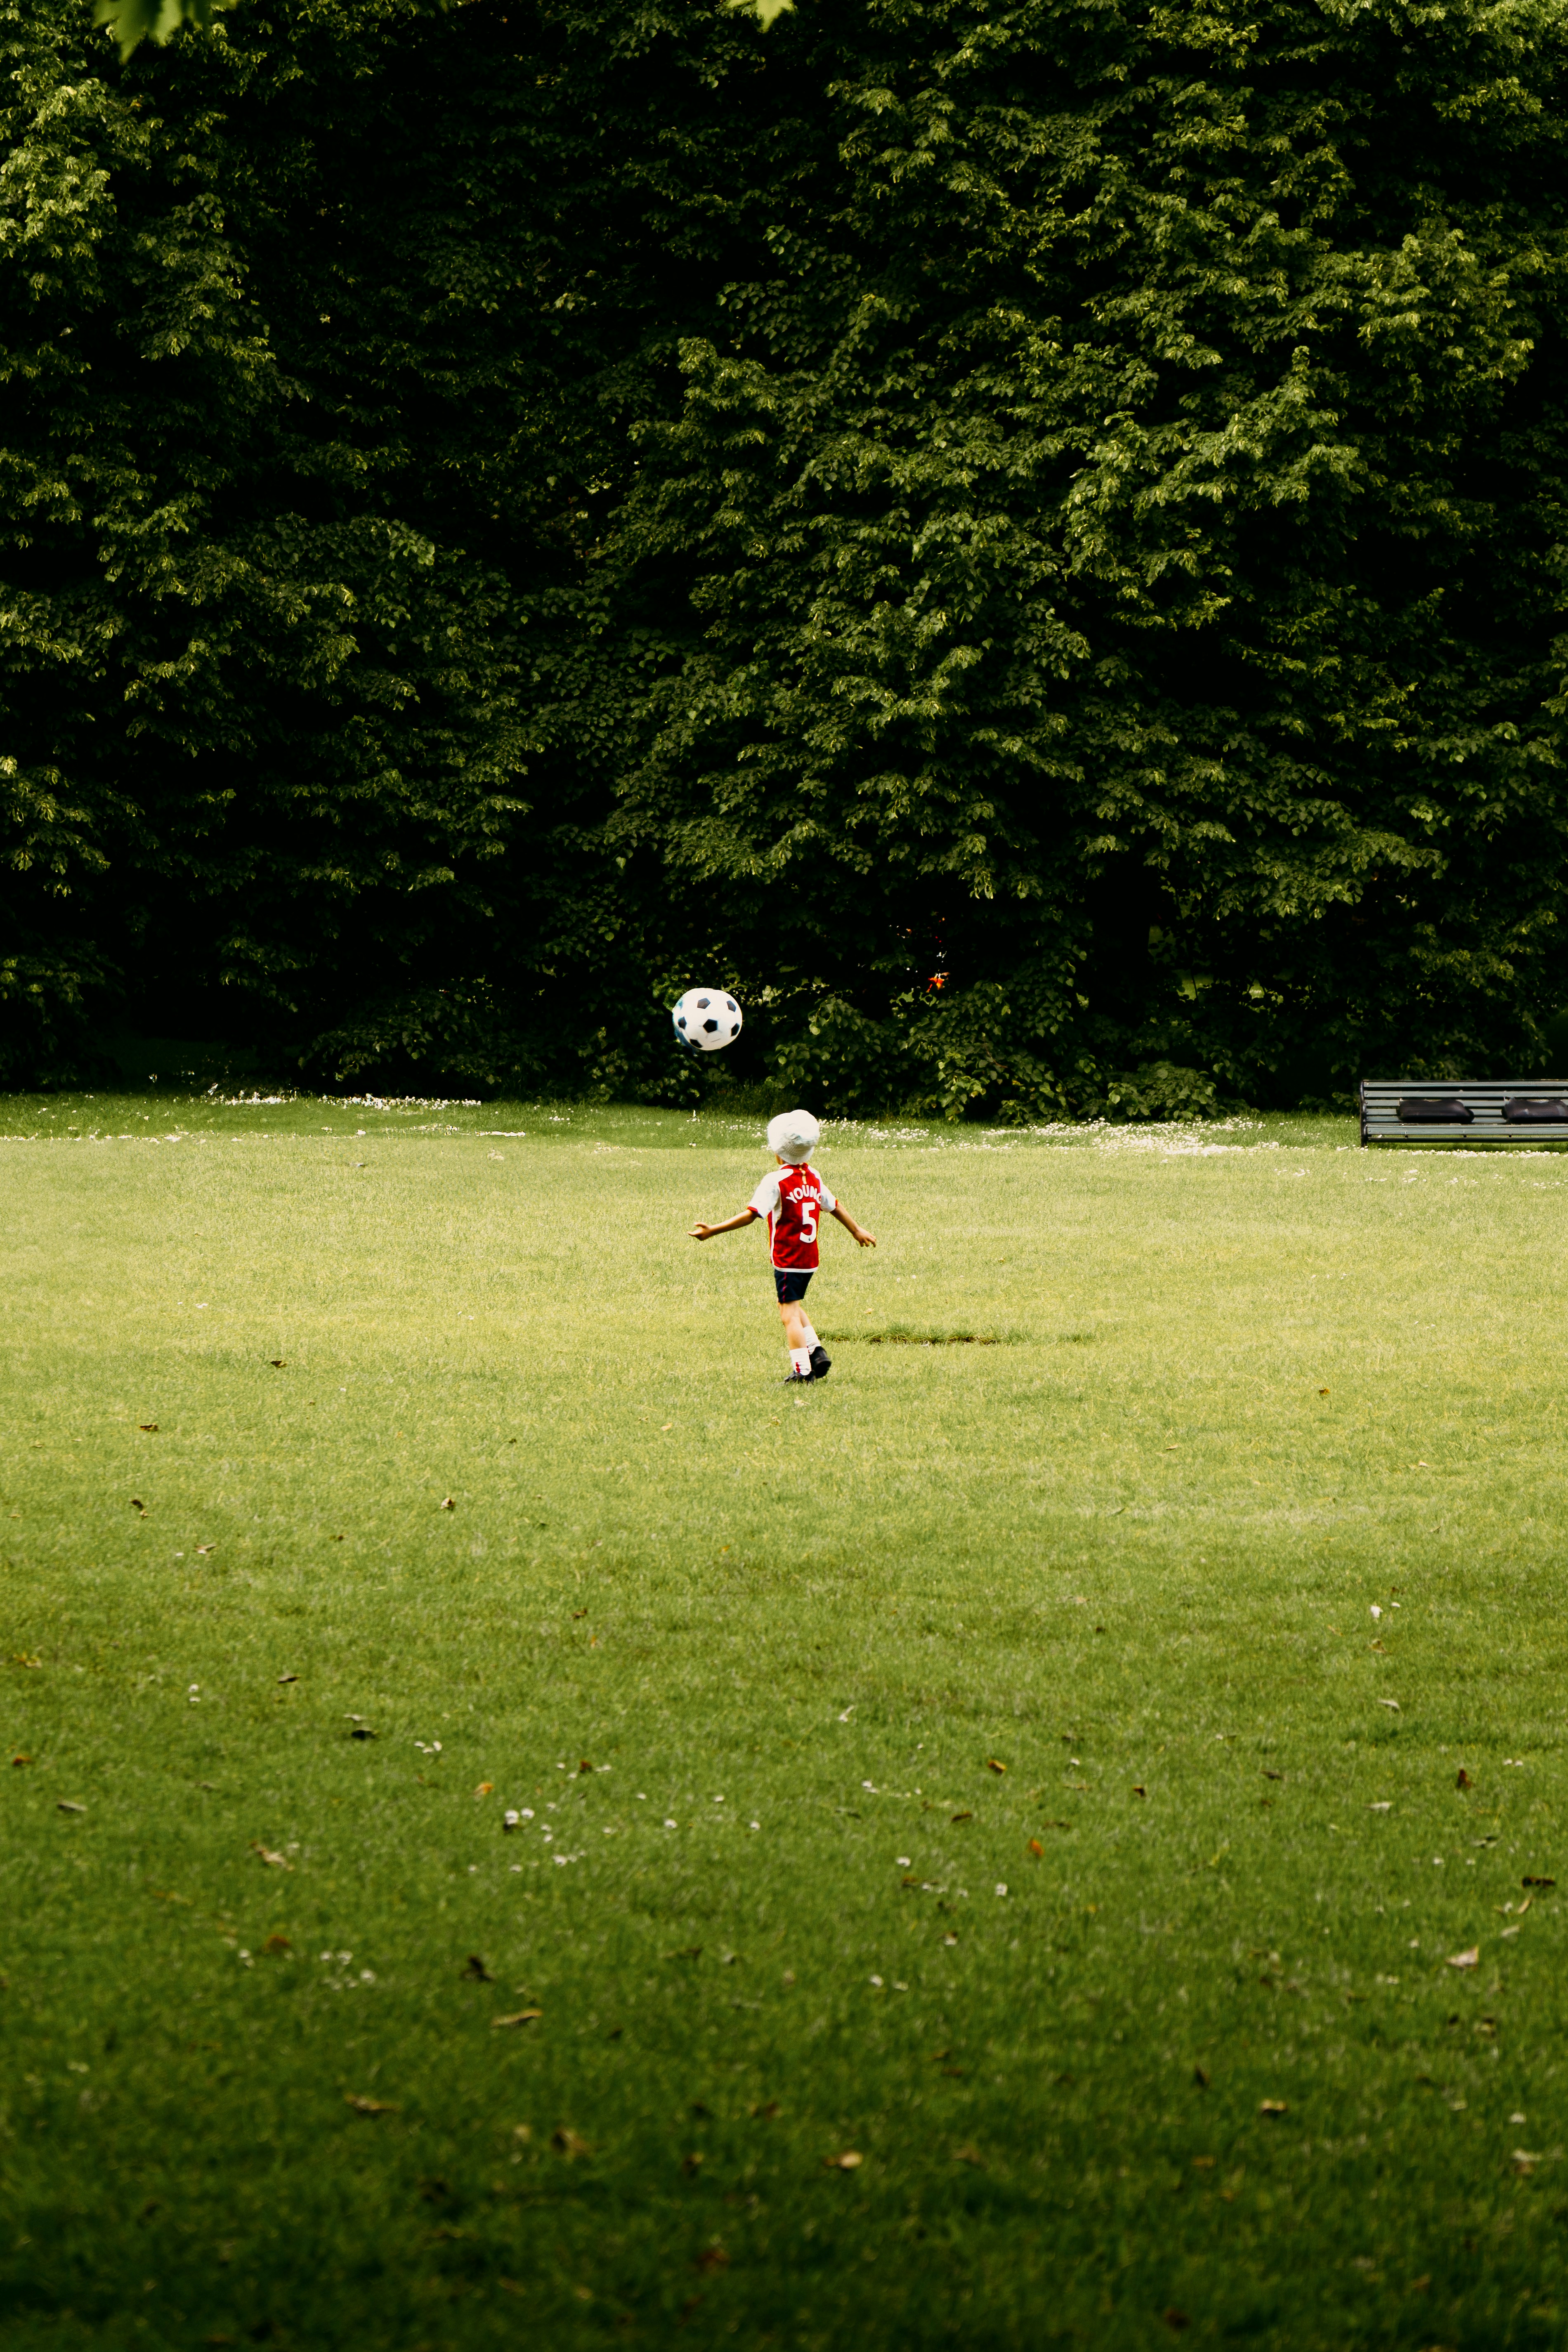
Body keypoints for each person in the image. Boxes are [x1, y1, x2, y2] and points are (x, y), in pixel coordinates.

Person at [690, 1109, 876, 1383]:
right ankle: (817, 1351)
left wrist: (713, 1231)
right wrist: (856, 1229)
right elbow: (833, 1205)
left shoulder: (775, 1180)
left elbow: (752, 1214)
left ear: (778, 1152)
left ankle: (803, 1371)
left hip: (788, 1258)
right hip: (809, 1258)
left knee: (788, 1314)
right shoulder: (813, 1176)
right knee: (793, 1304)